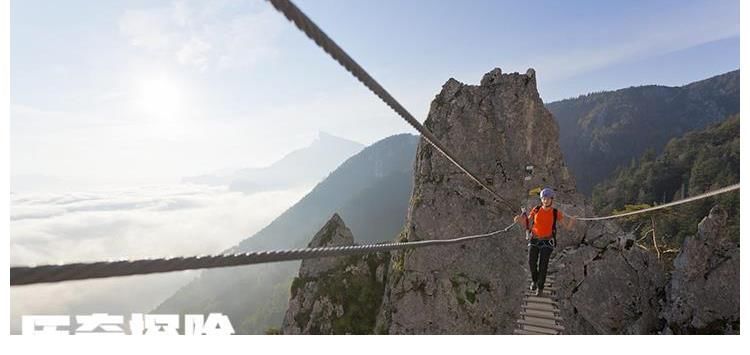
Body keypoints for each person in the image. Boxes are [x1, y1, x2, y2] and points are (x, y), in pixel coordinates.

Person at [513, 188, 574, 296]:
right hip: (535, 239)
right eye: (543, 198)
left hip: (547, 241)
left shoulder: (556, 213)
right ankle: (535, 281)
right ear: (541, 200)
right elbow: (526, 221)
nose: (545, 201)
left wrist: (573, 221)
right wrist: (519, 219)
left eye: (547, 199)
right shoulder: (536, 209)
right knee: (531, 262)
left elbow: (567, 227)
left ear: (551, 200)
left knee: (543, 265)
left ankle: (540, 287)